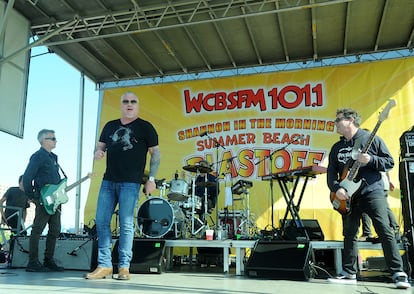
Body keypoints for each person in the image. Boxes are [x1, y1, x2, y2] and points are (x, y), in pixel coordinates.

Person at [327, 108, 410, 289]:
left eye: (338, 119)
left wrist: (370, 160)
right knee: (349, 234)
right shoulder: (337, 147)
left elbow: (389, 161)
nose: (335, 122)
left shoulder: (369, 139)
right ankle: (349, 272)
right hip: (348, 195)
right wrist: (336, 188)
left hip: (371, 191)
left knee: (384, 230)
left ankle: (398, 272)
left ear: (350, 120)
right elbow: (331, 172)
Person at [85, 92, 160, 280]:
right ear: (121, 105)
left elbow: (156, 155)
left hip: (131, 183)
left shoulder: (145, 127)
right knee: (101, 221)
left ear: (137, 105)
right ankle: (104, 265)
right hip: (108, 181)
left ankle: (124, 267)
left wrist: (151, 178)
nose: (129, 104)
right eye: (125, 101)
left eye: (133, 101)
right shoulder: (110, 126)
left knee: (126, 225)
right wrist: (98, 153)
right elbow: (100, 147)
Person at [23, 129, 64, 272]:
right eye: (52, 138)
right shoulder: (38, 156)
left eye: (54, 138)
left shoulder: (53, 157)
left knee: (55, 230)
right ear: (43, 141)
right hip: (43, 199)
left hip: (56, 201)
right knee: (37, 229)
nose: (55, 140)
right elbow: (27, 177)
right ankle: (33, 262)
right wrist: (33, 196)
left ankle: (48, 260)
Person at [359, 171, 400, 242]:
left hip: (376, 185)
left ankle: (394, 229)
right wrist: (388, 181)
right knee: (381, 207)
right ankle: (394, 230)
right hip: (378, 184)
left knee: (382, 207)